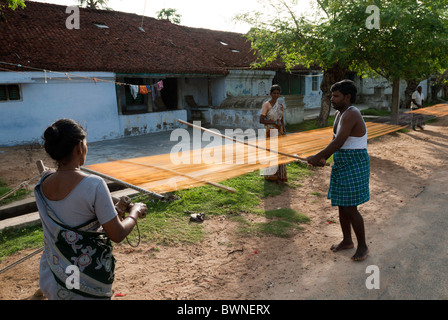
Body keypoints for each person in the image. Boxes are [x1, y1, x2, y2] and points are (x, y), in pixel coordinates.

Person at [34, 119, 147, 300]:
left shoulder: (43, 183)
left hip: (52, 278)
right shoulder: (94, 185)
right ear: (79, 147)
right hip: (84, 286)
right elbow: (117, 234)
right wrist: (135, 211)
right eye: (86, 144)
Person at [306, 80, 370, 262]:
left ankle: (363, 246)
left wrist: (318, 156)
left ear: (347, 97)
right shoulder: (339, 113)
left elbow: (338, 142)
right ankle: (347, 240)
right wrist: (322, 157)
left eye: (336, 96)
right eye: (332, 95)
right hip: (343, 162)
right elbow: (336, 142)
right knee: (342, 204)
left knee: (350, 207)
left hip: (354, 163)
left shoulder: (352, 114)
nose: (332, 99)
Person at [259, 84, 288, 184]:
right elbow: (261, 120)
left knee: (280, 154)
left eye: (277, 93)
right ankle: (271, 176)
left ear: (279, 94)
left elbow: (282, 120)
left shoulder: (280, 106)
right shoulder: (266, 105)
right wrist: (274, 123)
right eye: (274, 93)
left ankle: (280, 176)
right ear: (271, 94)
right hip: (270, 133)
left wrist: (284, 131)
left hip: (279, 132)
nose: (276, 95)